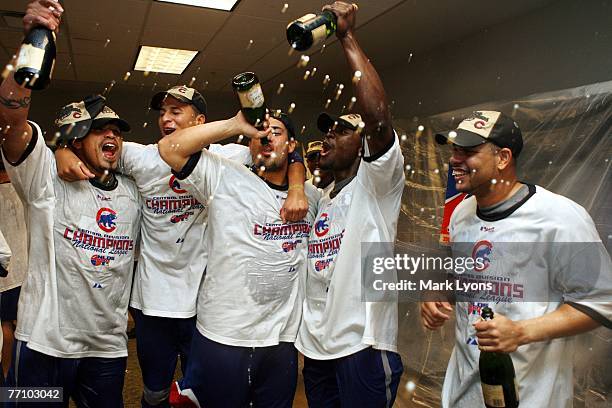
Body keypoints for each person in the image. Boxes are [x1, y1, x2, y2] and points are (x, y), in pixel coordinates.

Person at [55, 84, 309, 407]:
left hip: (200, 306)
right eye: (162, 112)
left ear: (199, 119)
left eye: (176, 111)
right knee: (155, 393)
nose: (166, 118)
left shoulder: (224, 159)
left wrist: (298, 185)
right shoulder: (141, 157)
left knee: (196, 396)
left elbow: (286, 150)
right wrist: (62, 149)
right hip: (153, 302)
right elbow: (92, 148)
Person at [0, 2, 141, 405]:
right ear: (77, 138)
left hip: (106, 350)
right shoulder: (45, 176)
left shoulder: (133, 189)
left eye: (116, 131)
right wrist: (32, 43)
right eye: (99, 130)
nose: (111, 136)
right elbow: (11, 120)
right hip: (44, 343)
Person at [422, 110, 612, 407]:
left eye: (468, 152)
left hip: (531, 396)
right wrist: (438, 291)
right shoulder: (461, 213)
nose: (454, 160)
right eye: (454, 151)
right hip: (462, 393)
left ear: (503, 158)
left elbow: (603, 301)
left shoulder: (560, 218)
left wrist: (521, 332)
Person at [156, 109, 320, 408]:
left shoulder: (311, 197)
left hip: (281, 341)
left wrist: (297, 184)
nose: (266, 136)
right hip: (224, 337)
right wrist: (234, 124)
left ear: (292, 146)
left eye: (276, 132)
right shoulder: (224, 177)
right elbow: (169, 148)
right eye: (259, 132)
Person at [294, 2, 406, 407]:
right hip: (319, 348)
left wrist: (346, 36)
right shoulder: (324, 197)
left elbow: (377, 119)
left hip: (363, 346)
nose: (328, 137)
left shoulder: (376, 186)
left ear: (362, 146)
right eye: (327, 131)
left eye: (342, 132)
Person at [0, 159, 28, 379]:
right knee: (21, 327)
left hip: (5, 275)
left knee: (4, 327)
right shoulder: (23, 187)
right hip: (25, 268)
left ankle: (7, 379)